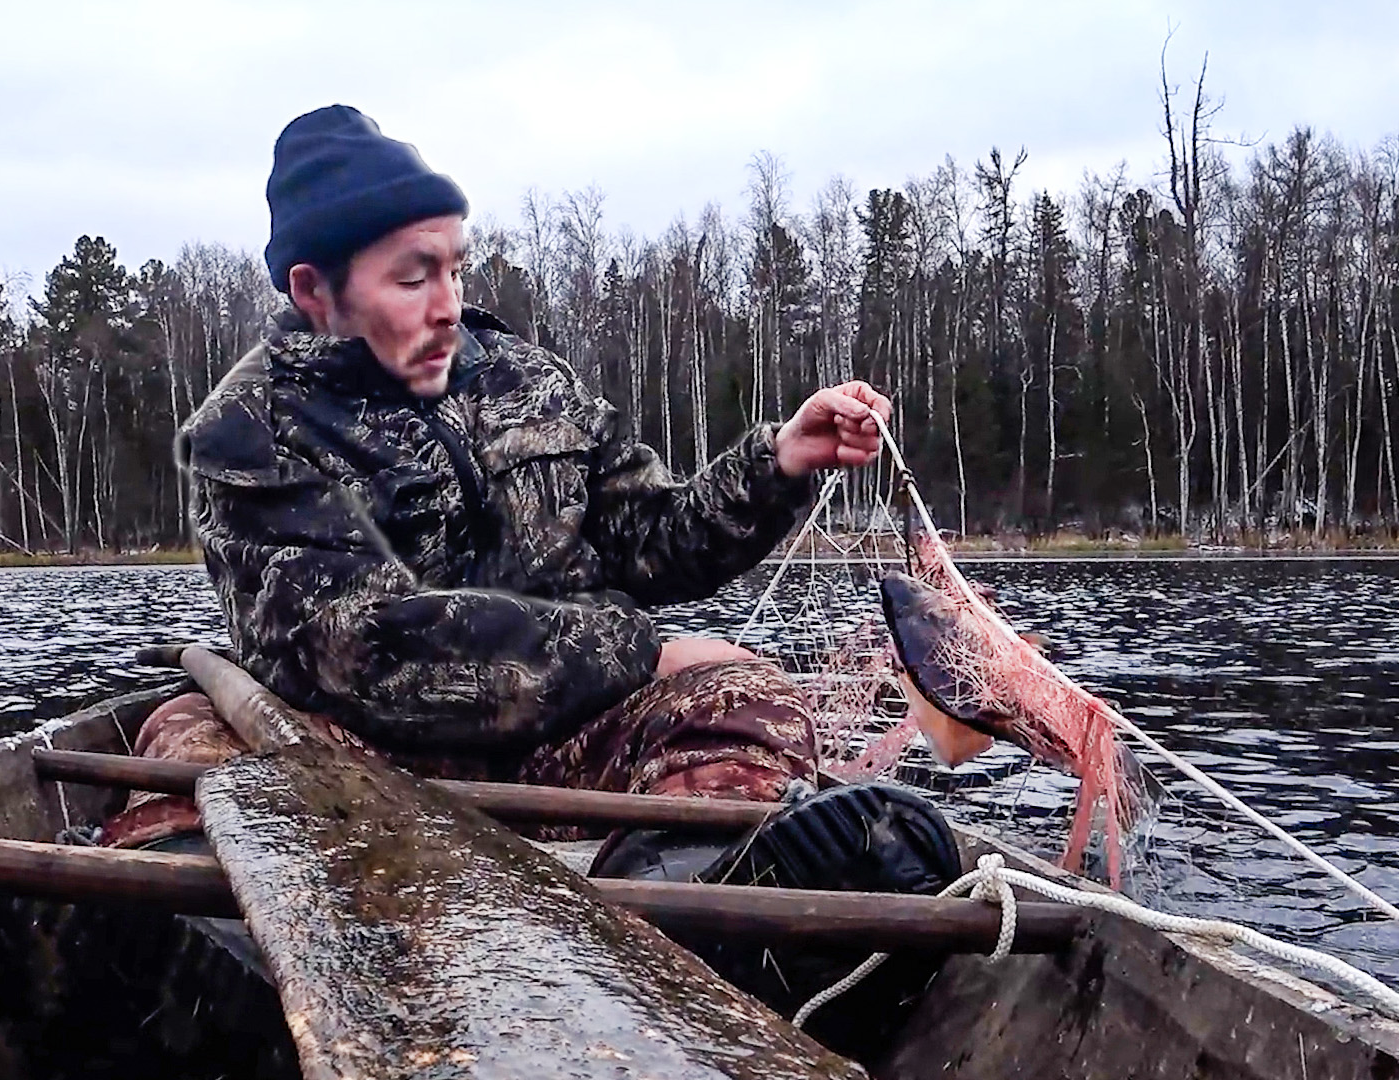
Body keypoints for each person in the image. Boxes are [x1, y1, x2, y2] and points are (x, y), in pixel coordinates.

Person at [97, 105, 965, 1053]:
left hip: (562, 746)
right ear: (315, 288)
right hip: (353, 757)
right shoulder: (246, 432)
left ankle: (676, 939)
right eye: (411, 276)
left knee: (746, 697)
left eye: (455, 266)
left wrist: (778, 463)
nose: (446, 301)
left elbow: (650, 539)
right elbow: (366, 649)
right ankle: (240, 998)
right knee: (180, 747)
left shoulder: (527, 377)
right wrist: (640, 649)